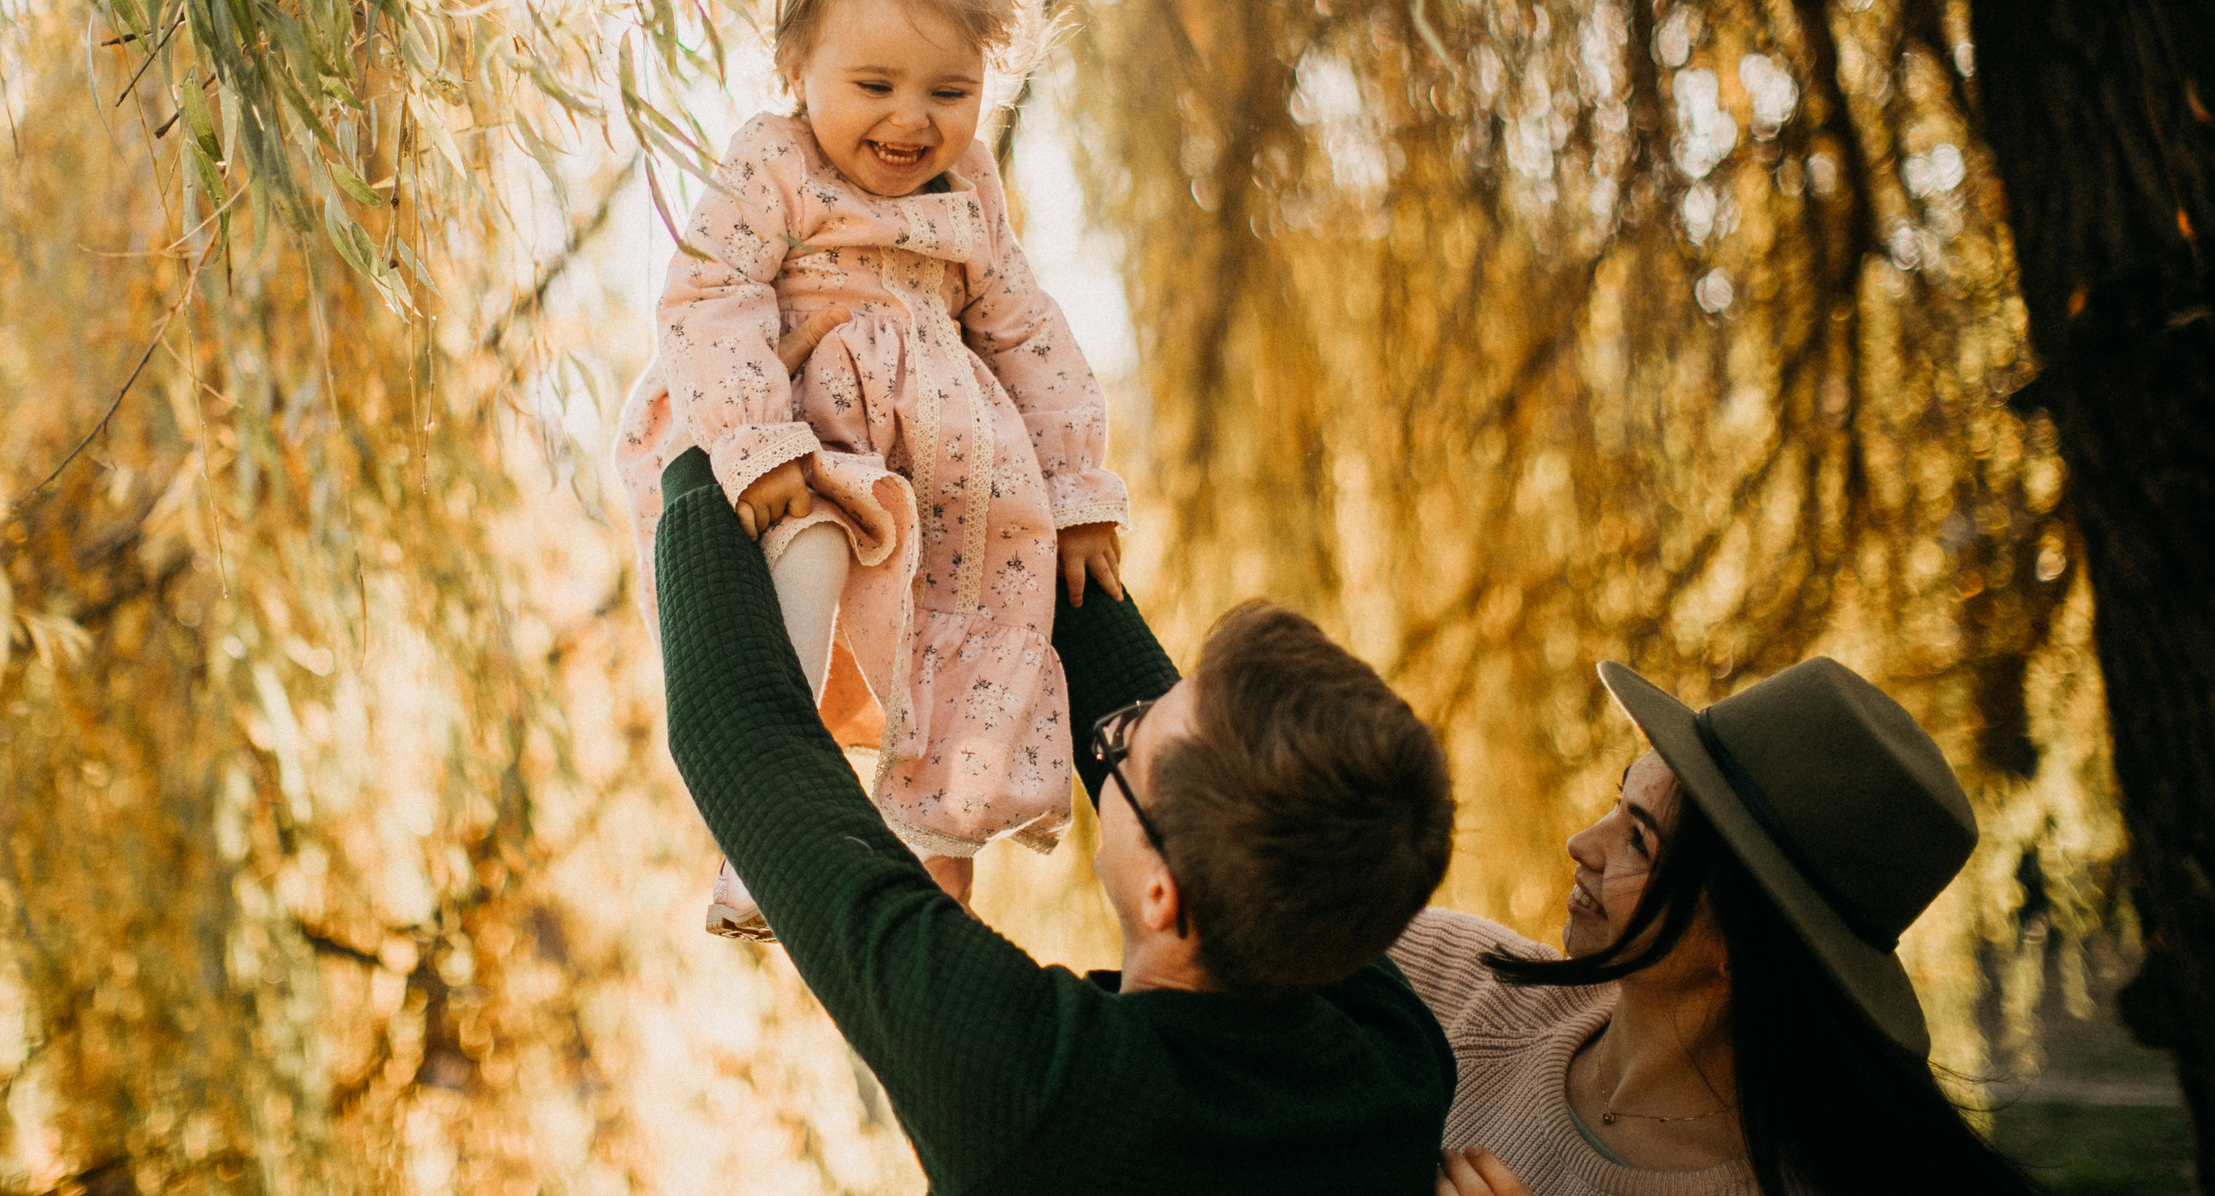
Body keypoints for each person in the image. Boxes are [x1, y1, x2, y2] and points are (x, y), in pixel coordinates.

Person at [653, 435, 1460, 1193]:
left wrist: (722, 438)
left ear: (1165, 893)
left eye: (1124, 744)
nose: (1113, 726)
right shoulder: (1394, 1063)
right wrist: (961, 444)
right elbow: (1134, 687)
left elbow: (746, 739)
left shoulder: (1037, 1098)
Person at [617, 0, 1129, 935]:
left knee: (980, 617)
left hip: (939, 467)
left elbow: (1029, 335)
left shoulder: (970, 193)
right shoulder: (774, 164)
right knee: (803, 566)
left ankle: (937, 865)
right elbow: (710, 292)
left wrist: (1077, 491)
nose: (912, 119)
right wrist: (756, 438)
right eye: (875, 85)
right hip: (801, 440)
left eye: (950, 90)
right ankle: (768, 841)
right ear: (796, 68)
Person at [1394, 657, 2048, 1196]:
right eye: (1618, 802)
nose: (1582, 844)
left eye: (1639, 840)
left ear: (1742, 942)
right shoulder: (1447, 986)